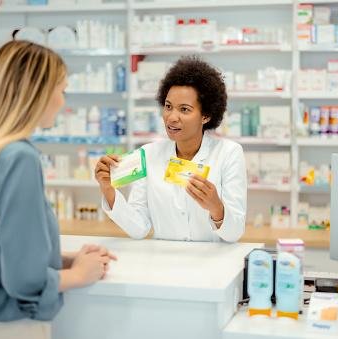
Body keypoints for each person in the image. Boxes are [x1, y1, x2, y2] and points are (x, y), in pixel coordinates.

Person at [0, 40, 116, 339]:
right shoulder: (20, 158)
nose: (63, 102)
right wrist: (78, 274)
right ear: (37, 92)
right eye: (61, 91)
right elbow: (23, 281)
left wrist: (65, 259)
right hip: (15, 329)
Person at [96, 56, 247, 242]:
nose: (172, 117)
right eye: (168, 107)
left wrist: (216, 208)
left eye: (184, 109)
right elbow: (139, 228)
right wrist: (109, 191)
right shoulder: (148, 154)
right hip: (163, 263)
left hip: (212, 263)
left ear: (206, 115)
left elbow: (235, 233)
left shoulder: (228, 153)